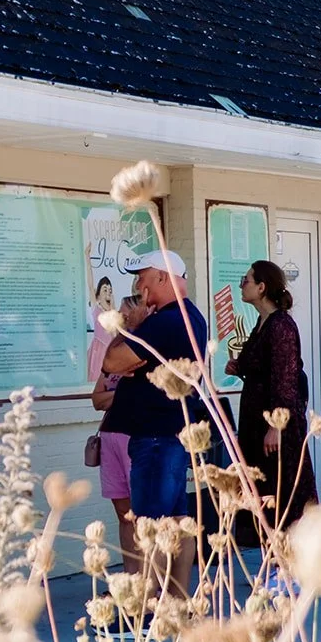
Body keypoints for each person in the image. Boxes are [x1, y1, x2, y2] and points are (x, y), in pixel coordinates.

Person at [101, 250, 210, 603]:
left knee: (150, 524)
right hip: (171, 435)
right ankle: (176, 602)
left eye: (143, 277)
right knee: (177, 520)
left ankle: (148, 610)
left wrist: (130, 329)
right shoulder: (188, 316)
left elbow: (111, 361)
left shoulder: (165, 321)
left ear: (163, 277)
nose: (138, 285)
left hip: (156, 438)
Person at [225, 261, 317, 585]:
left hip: (276, 426)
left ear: (262, 286)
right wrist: (238, 366)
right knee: (262, 493)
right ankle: (275, 564)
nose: (241, 285)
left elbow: (286, 380)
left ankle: (289, 568)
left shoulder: (281, 327)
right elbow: (259, 366)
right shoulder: (261, 324)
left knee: (282, 494)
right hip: (256, 421)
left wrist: (276, 425)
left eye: (246, 280)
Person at [91, 293, 151, 575]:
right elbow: (96, 400)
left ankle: (149, 578)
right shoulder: (115, 349)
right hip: (110, 435)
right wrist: (121, 393)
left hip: (134, 436)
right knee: (124, 515)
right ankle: (131, 576)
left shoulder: (144, 349)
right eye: (121, 316)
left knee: (143, 514)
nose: (123, 320)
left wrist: (115, 395)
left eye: (128, 315)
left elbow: (138, 393)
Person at [86, 275, 117, 381]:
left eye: (110, 290)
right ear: (98, 296)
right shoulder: (97, 311)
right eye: (105, 290)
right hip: (98, 352)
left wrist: (112, 309)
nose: (108, 292)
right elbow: (90, 285)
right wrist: (87, 259)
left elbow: (116, 336)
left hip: (110, 353)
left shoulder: (114, 315)